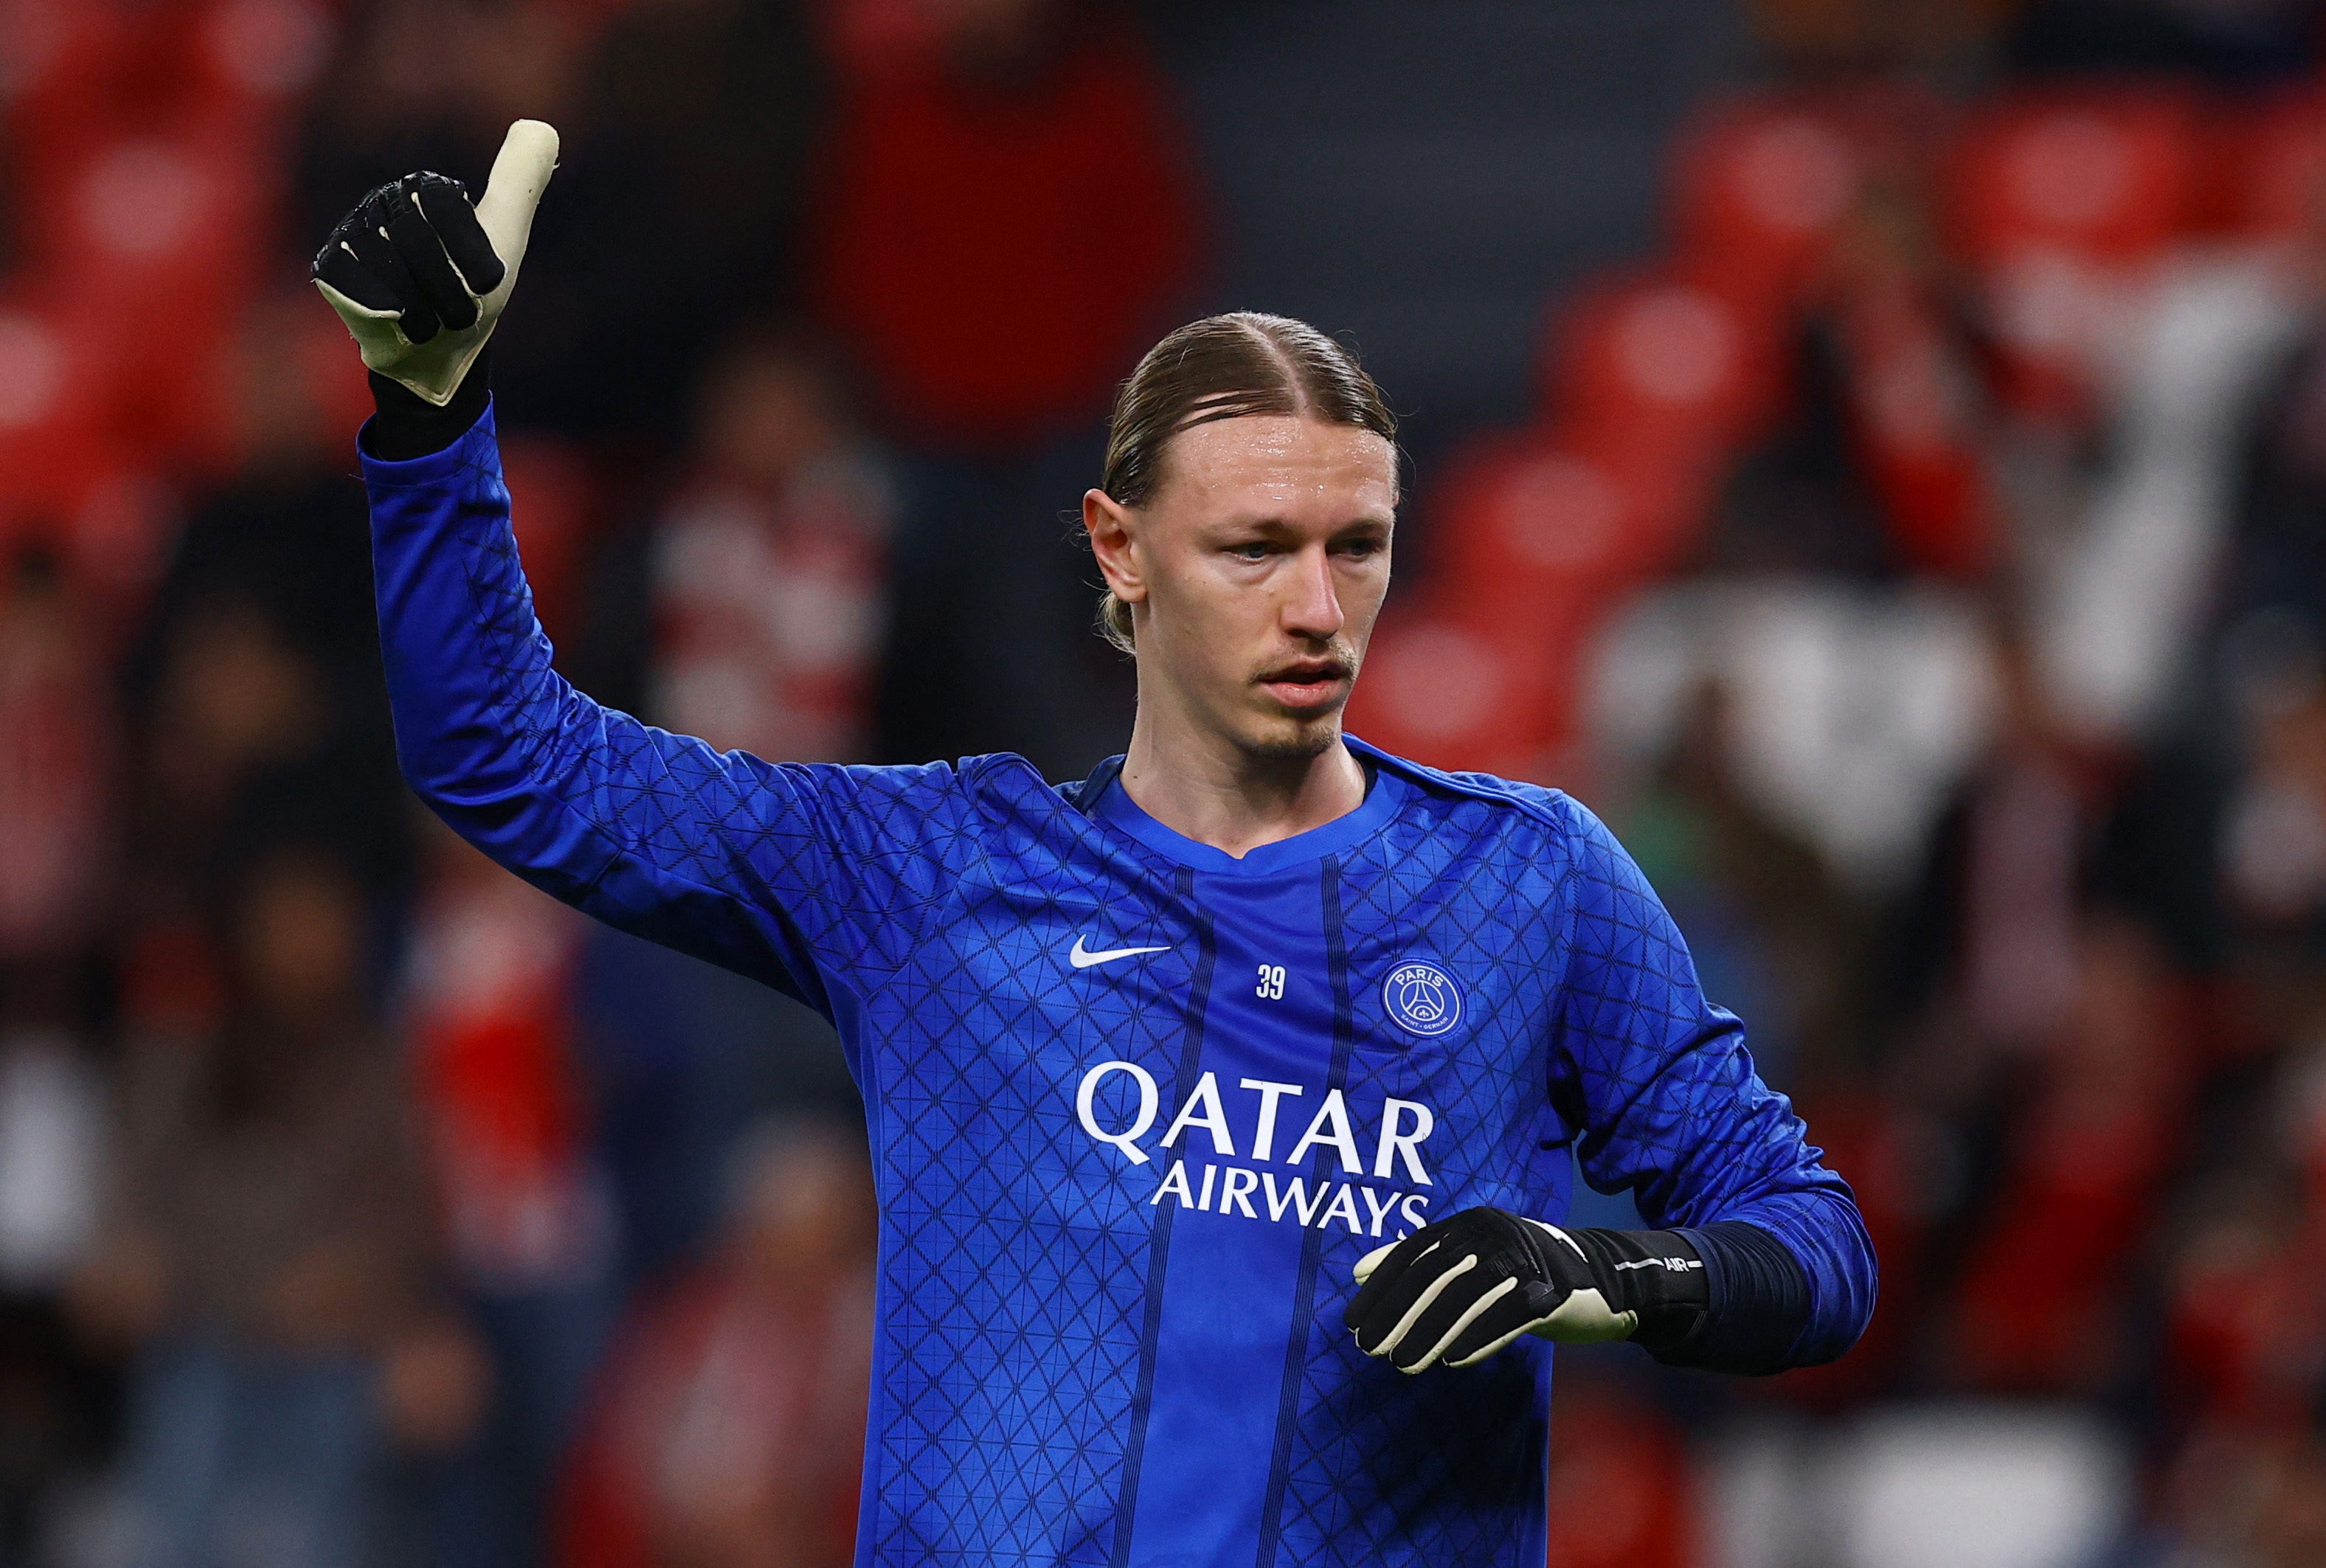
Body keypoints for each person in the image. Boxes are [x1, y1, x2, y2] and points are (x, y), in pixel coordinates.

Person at [314, 124, 1875, 1564]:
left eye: (1358, 547)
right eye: (1253, 549)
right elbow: (507, 756)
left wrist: (1604, 1276)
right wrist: (431, 422)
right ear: (1119, 550)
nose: (1317, 608)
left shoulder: (1527, 882)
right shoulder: (928, 876)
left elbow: (1813, 1246)